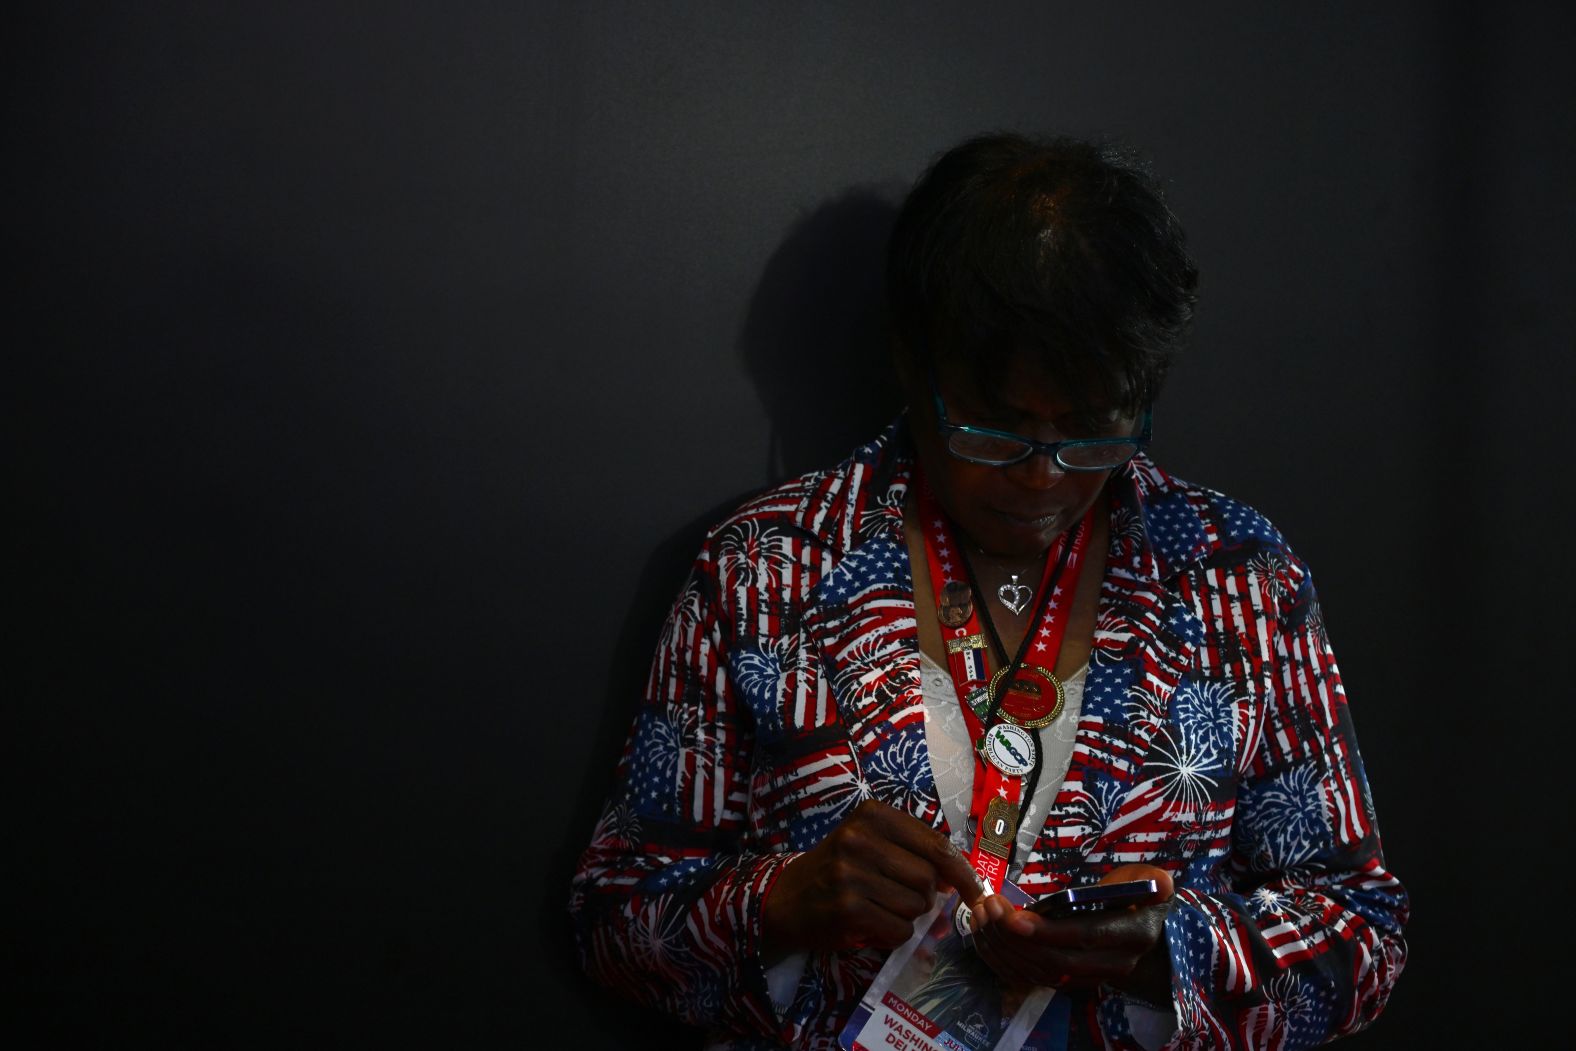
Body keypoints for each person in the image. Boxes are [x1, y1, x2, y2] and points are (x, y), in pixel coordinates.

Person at [570, 133, 1408, 1050]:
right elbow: (613, 921)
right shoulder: (766, 571)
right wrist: (781, 901)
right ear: (913, 362)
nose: (1042, 476)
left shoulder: (1236, 579)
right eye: (996, 427)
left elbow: (1361, 934)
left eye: (1090, 428)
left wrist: (1169, 949)